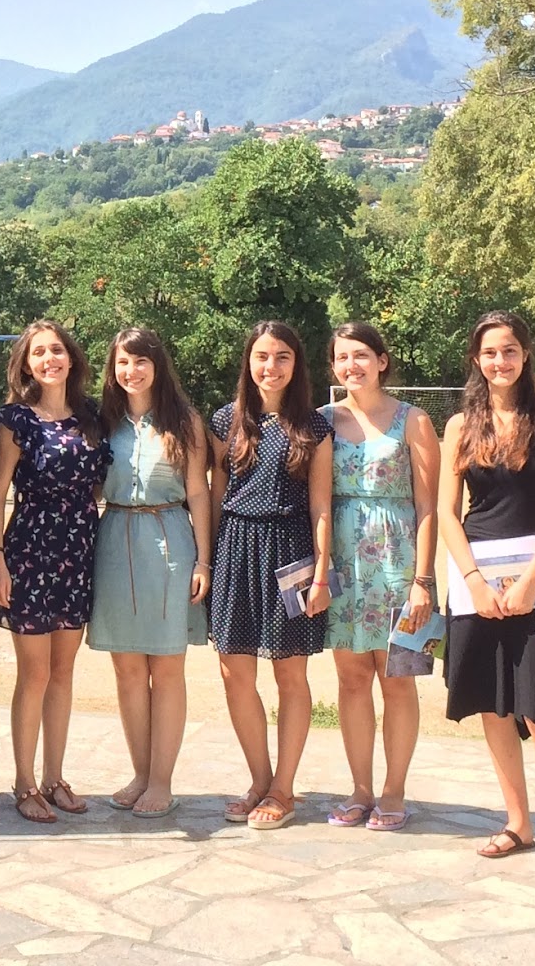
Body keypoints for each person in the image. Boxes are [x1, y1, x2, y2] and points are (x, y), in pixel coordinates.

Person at [438, 311, 535, 880]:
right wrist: (474, 582)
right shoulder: (460, 426)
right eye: (489, 352)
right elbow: (447, 514)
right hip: (476, 586)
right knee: (493, 706)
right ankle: (518, 823)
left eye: (509, 350)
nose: (499, 361)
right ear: (476, 359)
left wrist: (531, 579)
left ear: (525, 354)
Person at [208, 320, 334, 831]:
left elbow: (321, 505)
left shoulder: (315, 427)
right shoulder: (226, 420)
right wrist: (207, 560)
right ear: (249, 362)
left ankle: (284, 788)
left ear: (296, 364)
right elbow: (215, 495)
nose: (271, 366)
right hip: (235, 549)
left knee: (290, 675)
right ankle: (260, 780)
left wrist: (321, 574)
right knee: (234, 672)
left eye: (282, 356)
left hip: (293, 553)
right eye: (262, 356)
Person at [0, 319, 109, 823]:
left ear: (71, 358)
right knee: (34, 673)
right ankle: (24, 782)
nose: (49, 359)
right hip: (31, 552)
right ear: (26, 364)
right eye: (38, 352)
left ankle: (55, 778)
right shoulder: (16, 419)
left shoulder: (93, 416)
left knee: (63, 672)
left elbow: (99, 485)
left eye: (56, 350)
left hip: (79, 551)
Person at [88, 327, 212, 819]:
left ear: (158, 366)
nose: (131, 370)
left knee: (166, 668)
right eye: (123, 362)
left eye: (141, 361)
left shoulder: (185, 421)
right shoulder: (102, 422)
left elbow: (199, 492)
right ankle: (140, 774)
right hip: (115, 542)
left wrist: (203, 560)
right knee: (127, 670)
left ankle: (162, 780)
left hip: (170, 543)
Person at [320, 322, 439, 831]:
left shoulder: (414, 420)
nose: (352, 365)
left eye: (362, 355)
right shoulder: (322, 421)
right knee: (351, 680)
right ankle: (360, 789)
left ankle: (393, 791)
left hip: (398, 563)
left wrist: (423, 581)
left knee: (398, 681)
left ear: (382, 361)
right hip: (342, 564)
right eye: (342, 357)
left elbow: (429, 506)